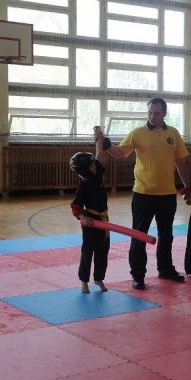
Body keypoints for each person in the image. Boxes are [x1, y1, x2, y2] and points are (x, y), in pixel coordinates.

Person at [104, 97, 191, 290]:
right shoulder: (138, 133)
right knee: (139, 235)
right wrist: (106, 145)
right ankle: (138, 275)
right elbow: (120, 152)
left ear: (164, 114)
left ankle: (165, 269)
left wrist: (188, 187)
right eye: (150, 113)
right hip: (143, 193)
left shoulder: (173, 133)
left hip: (167, 194)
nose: (152, 116)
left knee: (166, 235)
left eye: (157, 113)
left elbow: (181, 162)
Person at [70, 126, 110, 294]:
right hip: (91, 223)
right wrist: (83, 217)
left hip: (104, 220)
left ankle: (99, 278)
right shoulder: (84, 187)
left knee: (103, 251)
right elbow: (75, 206)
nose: (95, 165)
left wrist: (98, 137)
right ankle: (84, 281)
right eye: (92, 164)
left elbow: (100, 154)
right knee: (88, 252)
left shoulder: (96, 173)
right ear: (85, 169)